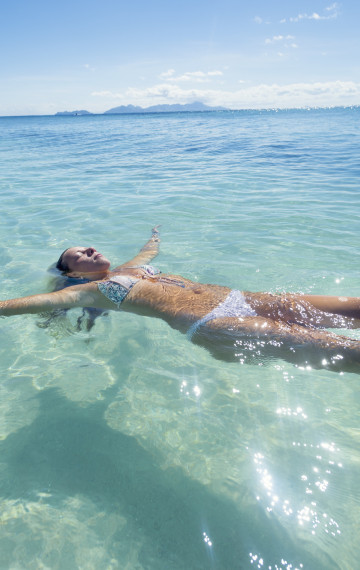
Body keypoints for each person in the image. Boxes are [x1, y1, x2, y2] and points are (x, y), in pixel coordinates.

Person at [1, 227, 360, 371]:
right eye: (80, 252)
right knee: (343, 350)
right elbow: (21, 305)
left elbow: (148, 252)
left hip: (246, 300)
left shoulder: (130, 267)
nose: (92, 247)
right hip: (218, 324)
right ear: (73, 272)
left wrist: (155, 234)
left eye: (90, 244)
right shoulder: (83, 291)